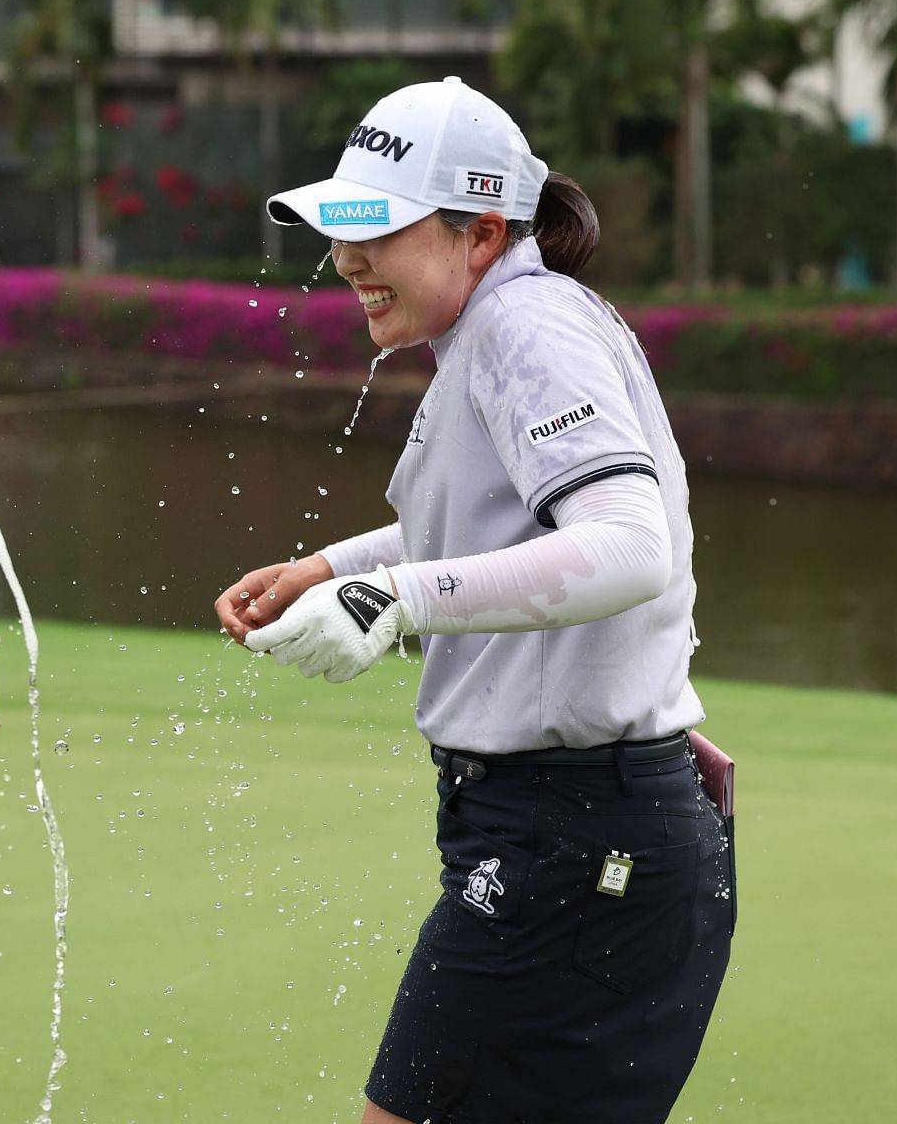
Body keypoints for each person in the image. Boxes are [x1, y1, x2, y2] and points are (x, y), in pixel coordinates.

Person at [214, 77, 734, 1124]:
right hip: (574, 828)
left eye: (377, 231)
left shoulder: (523, 330)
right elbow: (511, 522)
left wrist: (395, 599)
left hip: (574, 834)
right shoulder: (504, 325)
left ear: (480, 231)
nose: (346, 259)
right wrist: (333, 569)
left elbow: (629, 545)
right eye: (339, 229)